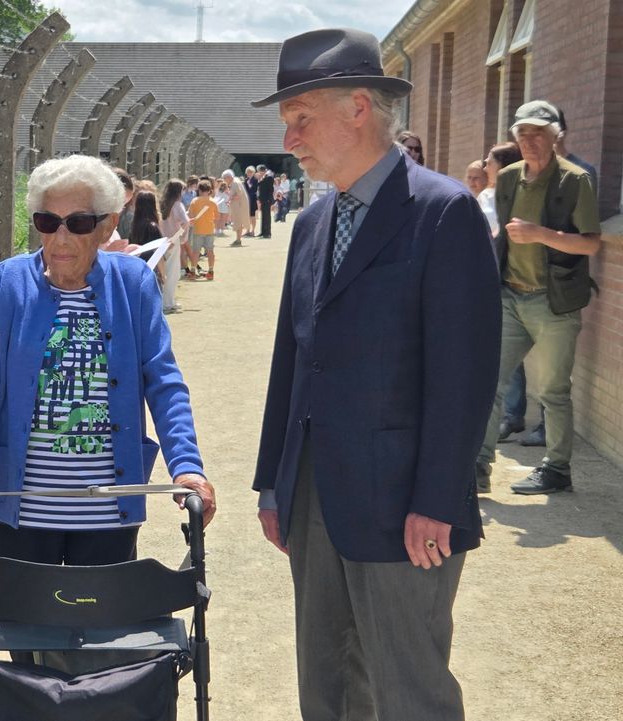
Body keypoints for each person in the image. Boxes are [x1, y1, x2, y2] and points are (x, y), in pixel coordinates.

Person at [251, 28, 500, 721]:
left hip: (404, 502)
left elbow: (464, 373)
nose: (289, 140)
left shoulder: (443, 212)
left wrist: (438, 497)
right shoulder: (312, 223)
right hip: (312, 493)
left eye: (302, 119)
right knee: (326, 686)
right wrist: (274, 480)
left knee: (408, 689)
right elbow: (292, 358)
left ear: (359, 107)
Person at [0, 152, 215, 567]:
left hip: (108, 509)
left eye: (77, 223)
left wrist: (187, 466)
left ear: (108, 225)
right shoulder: (6, 284)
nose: (60, 238)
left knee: (102, 608)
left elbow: (163, 382)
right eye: (47, 222)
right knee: (20, 609)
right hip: (18, 508)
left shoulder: (133, 284)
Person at [475, 99, 602, 495]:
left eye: (539, 133)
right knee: (488, 382)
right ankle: (477, 468)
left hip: (554, 302)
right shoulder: (508, 178)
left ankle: (557, 469)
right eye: (524, 134)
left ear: (555, 137)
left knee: (553, 392)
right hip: (510, 297)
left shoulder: (575, 180)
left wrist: (541, 235)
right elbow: (502, 234)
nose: (530, 141)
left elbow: (590, 243)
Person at [476, 142, 521, 238]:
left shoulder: (522, 195)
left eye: (489, 163)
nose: (485, 169)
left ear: (503, 166)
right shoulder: (484, 196)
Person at [158, 178, 190, 313]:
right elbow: (186, 221)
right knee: (172, 272)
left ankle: (165, 300)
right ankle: (168, 302)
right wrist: (182, 237)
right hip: (173, 239)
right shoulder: (177, 205)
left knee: (162, 271)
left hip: (160, 240)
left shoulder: (161, 203)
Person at [187, 180, 219, 280]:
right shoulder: (213, 202)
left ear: (199, 190)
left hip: (198, 230)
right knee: (210, 251)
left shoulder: (195, 201)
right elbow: (217, 217)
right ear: (209, 190)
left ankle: (193, 271)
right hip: (209, 230)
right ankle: (211, 271)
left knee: (196, 251)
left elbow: (190, 215)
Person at [223, 169, 251, 246]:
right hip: (238, 205)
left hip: (239, 206)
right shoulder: (235, 181)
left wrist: (230, 198)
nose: (224, 180)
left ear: (229, 177)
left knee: (238, 222)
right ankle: (238, 239)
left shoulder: (235, 183)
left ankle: (238, 240)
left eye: (224, 178)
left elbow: (238, 195)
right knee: (238, 223)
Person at [257, 166, 276, 238]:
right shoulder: (262, 178)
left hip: (267, 199)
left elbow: (270, 189)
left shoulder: (269, 177)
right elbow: (259, 186)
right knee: (263, 216)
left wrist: (269, 199)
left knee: (267, 216)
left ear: (263, 171)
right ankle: (263, 231)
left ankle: (268, 233)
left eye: (260, 171)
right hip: (262, 199)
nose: (259, 173)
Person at [245, 168, 259, 236]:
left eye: (250, 172)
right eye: (248, 172)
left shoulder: (255, 180)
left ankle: (253, 231)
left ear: (253, 172)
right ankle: (247, 230)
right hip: (247, 200)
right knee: (247, 216)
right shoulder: (246, 180)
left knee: (253, 216)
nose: (249, 173)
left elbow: (255, 189)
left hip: (253, 200)